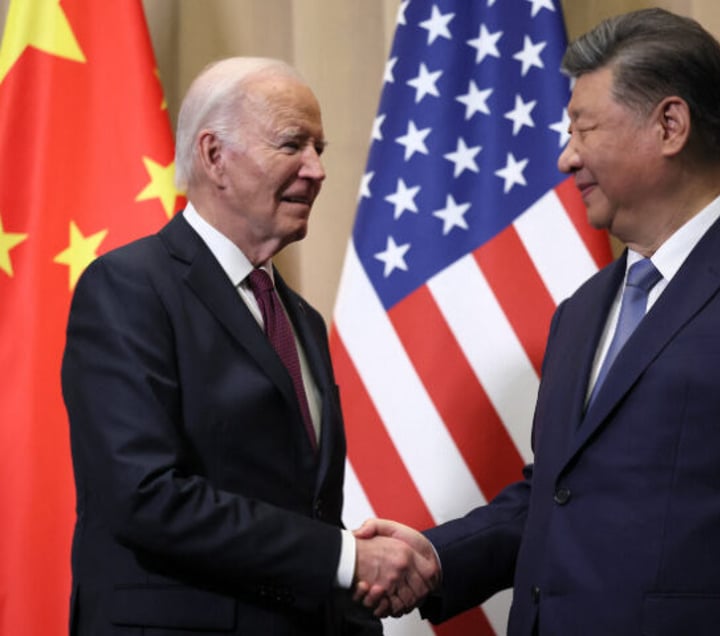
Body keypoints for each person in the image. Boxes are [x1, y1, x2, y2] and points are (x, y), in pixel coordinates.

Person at [355, 8, 720, 634]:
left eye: (582, 129)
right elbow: (559, 493)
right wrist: (437, 556)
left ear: (670, 124)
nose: (566, 159)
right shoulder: (581, 311)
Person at [61, 57, 438, 636]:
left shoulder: (302, 319)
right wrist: (344, 558)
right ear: (214, 156)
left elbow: (300, 502)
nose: (316, 170)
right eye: (293, 144)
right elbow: (143, 496)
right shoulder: (130, 287)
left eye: (320, 147)